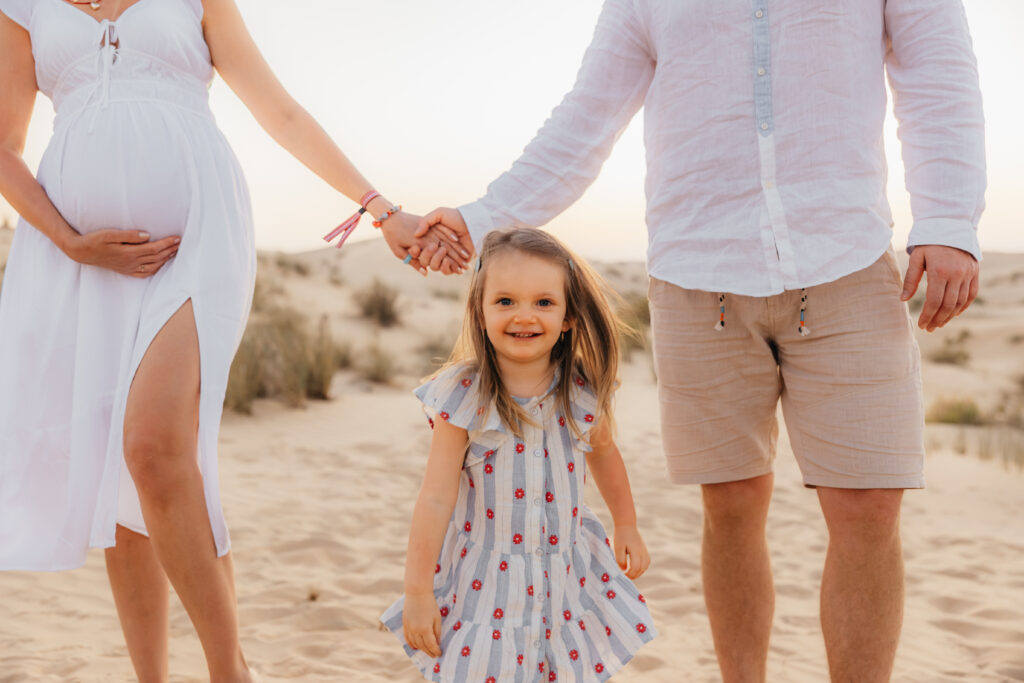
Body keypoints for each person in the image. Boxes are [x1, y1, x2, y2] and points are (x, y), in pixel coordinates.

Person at [413, 1, 986, 681]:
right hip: (697, 271)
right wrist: (482, 219)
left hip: (847, 258)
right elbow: (587, 114)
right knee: (733, 503)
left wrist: (948, 215)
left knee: (869, 505)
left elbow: (939, 67)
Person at [0, 0, 465, 680]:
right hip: (81, 261)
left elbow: (280, 112)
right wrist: (72, 242)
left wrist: (382, 210)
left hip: (198, 237)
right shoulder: (25, 6)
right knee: (118, 476)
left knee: (152, 448)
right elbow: (5, 149)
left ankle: (229, 671)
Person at [381, 228, 656, 682]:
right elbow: (434, 498)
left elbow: (605, 454)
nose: (524, 316)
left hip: (565, 574)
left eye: (543, 303)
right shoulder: (464, 395)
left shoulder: (580, 390)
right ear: (481, 311)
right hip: (486, 581)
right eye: (505, 301)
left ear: (568, 316)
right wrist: (417, 590)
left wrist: (626, 522)